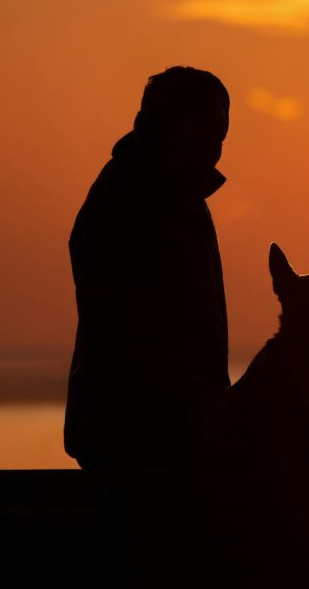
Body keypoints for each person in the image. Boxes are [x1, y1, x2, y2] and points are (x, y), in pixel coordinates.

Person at [64, 66, 231, 469]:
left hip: (174, 440)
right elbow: (136, 339)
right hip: (137, 445)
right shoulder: (126, 204)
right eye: (197, 140)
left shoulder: (181, 198)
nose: (210, 154)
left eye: (218, 141)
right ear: (157, 129)